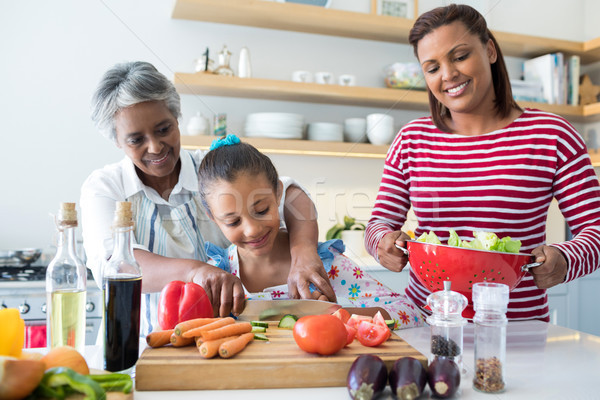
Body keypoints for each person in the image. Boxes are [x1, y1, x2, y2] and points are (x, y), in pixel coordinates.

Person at [365, 4, 600, 321]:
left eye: (460, 56)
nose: (448, 75)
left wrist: (566, 257)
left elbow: (594, 229)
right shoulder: (411, 139)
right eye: (432, 68)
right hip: (427, 325)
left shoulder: (551, 135)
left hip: (517, 329)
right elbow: (379, 224)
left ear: (489, 50)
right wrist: (384, 243)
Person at [80, 61, 336, 332]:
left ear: (177, 118)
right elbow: (115, 264)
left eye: (163, 129)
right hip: (138, 343)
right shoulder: (105, 187)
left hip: (217, 341)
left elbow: (291, 193)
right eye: (136, 140)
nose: (155, 147)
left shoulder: (212, 171)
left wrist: (304, 250)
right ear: (117, 140)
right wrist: (195, 271)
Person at [197, 134, 424, 328]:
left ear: (278, 193)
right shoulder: (219, 277)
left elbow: (410, 313)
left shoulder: (325, 267)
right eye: (233, 222)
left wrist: (333, 314)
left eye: (261, 210)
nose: (252, 229)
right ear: (213, 218)